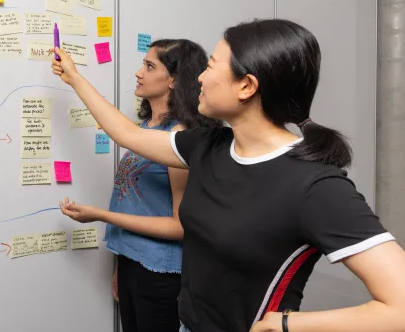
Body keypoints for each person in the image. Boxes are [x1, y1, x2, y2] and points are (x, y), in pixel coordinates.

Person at [52, 19, 405, 332]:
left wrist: (289, 324)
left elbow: (399, 308)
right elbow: (128, 135)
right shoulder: (208, 146)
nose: (200, 78)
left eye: (210, 66)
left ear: (246, 86)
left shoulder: (315, 186)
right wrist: (74, 77)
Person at [58, 39, 220, 332]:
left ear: (173, 80)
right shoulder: (146, 129)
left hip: (161, 273)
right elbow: (138, 200)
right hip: (135, 263)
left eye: (149, 66)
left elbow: (180, 225)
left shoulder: (178, 137)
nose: (138, 73)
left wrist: (102, 215)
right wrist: (122, 264)